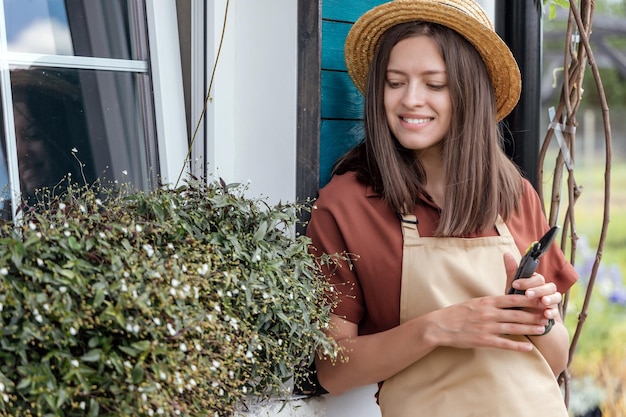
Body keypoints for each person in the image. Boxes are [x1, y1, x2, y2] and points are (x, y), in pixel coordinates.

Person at [306, 0, 579, 415]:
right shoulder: (346, 207)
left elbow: (554, 362)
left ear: (469, 92)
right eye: (395, 82)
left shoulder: (516, 195)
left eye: (435, 84)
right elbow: (333, 371)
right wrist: (437, 328)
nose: (410, 100)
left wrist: (539, 319)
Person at [1, 68, 95, 219]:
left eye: (33, 135)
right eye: (10, 141)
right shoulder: (10, 223)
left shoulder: (101, 209)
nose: (19, 151)